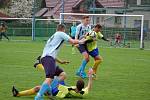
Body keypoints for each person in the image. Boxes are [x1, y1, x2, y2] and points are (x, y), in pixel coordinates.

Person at [34, 24, 86, 100]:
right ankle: (39, 96)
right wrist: (81, 41)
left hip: (47, 58)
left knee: (63, 75)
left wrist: (61, 62)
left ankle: (49, 89)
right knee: (49, 78)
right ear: (63, 29)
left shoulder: (53, 36)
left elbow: (52, 52)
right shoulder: (61, 33)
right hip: (48, 59)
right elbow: (73, 41)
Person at [12, 68, 93, 99]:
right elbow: (89, 87)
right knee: (60, 75)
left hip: (56, 92)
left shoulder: (68, 89)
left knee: (38, 88)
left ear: (76, 84)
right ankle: (40, 66)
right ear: (82, 87)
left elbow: (57, 84)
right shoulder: (83, 93)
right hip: (60, 89)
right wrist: (90, 76)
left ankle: (18, 94)